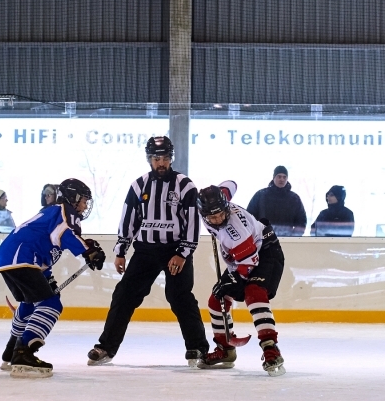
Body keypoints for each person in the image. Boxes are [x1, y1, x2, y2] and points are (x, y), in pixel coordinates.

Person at [87, 136, 209, 367]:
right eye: (156, 158)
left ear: (171, 158)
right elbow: (129, 219)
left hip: (174, 250)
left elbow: (192, 222)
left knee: (179, 296)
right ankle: (106, 347)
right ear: (149, 159)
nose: (160, 163)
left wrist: (183, 253)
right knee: (124, 295)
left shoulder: (185, 185)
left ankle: (198, 348)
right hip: (145, 250)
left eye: (164, 158)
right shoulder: (138, 185)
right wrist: (121, 250)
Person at [0, 178, 105, 378]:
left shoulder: (52, 212)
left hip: (11, 257)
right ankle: (24, 352)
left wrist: (47, 277)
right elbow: (63, 234)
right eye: (84, 200)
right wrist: (88, 251)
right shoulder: (64, 211)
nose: (85, 205)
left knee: (30, 304)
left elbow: (45, 245)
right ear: (73, 198)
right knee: (51, 305)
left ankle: (11, 351)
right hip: (22, 257)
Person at [197, 185, 286, 376]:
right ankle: (225, 350)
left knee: (254, 293)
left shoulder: (236, 231)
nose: (217, 220)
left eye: (220, 215)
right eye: (212, 218)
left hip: (265, 253)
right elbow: (231, 184)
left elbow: (249, 265)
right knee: (216, 301)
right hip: (242, 258)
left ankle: (271, 349)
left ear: (226, 207)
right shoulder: (213, 205)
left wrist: (232, 280)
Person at [246, 165, 307, 237]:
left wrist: (294, 237)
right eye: (279, 176)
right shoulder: (261, 195)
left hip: (287, 240)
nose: (282, 179)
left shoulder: (294, 199)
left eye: (284, 177)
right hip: (263, 240)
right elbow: (249, 217)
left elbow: (301, 221)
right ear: (274, 177)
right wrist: (256, 235)